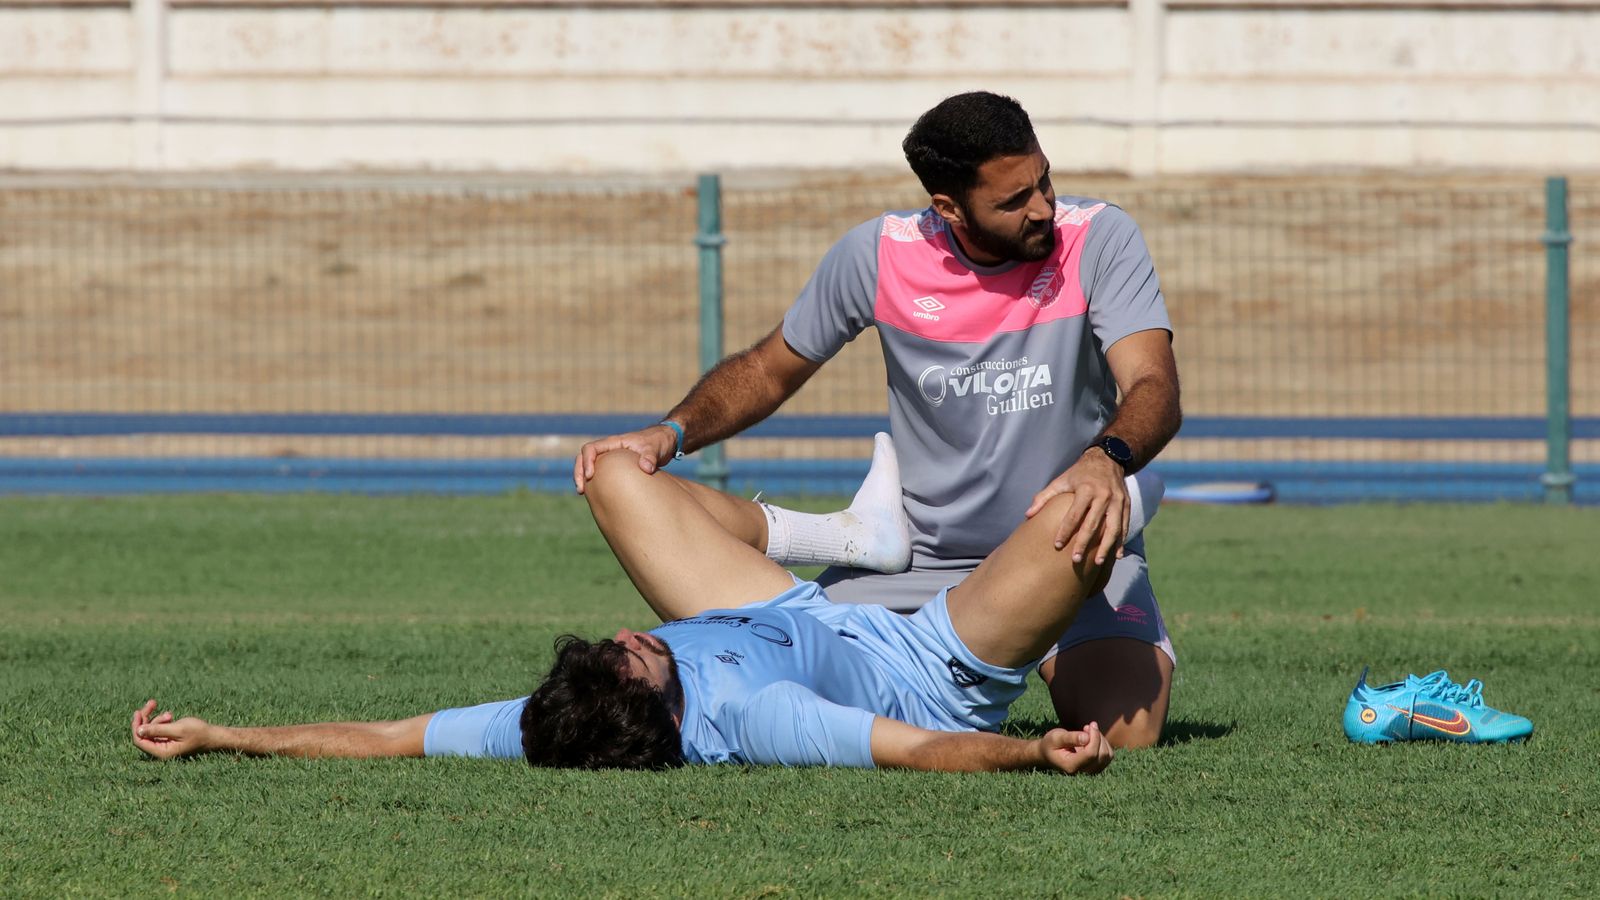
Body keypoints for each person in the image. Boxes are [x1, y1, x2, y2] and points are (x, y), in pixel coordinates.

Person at [572, 91, 1182, 747]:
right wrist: (671, 432)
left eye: (1044, 181)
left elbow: (1153, 384)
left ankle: (1081, 550)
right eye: (1013, 201)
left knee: (1128, 734)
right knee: (615, 474)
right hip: (920, 565)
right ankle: (845, 539)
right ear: (948, 207)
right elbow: (768, 369)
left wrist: (1106, 460)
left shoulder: (1099, 238)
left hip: (1075, 539)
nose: (1042, 208)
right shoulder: (878, 253)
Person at [132, 439, 1161, 773]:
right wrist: (1031, 752)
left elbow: (392, 735)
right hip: (933, 661)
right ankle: (1123, 573)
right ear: (656, 707)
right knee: (1095, 503)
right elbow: (915, 751)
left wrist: (226, 734)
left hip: (789, 607)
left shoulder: (551, 719)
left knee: (614, 473)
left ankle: (852, 541)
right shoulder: (754, 720)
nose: (628, 633)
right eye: (632, 654)